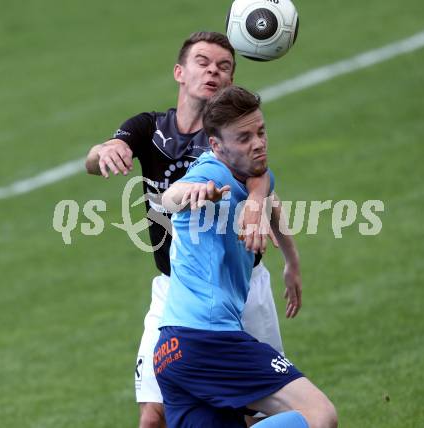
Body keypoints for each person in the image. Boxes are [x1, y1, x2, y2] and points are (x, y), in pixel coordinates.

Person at [85, 32, 302, 428]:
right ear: (179, 72)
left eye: (224, 67)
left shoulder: (228, 139)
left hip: (240, 287)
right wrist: (103, 150)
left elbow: (261, 179)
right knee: (153, 415)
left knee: (255, 412)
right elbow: (94, 158)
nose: (213, 71)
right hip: (175, 291)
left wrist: (280, 244)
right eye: (203, 62)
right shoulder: (149, 128)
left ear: (231, 82)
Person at [157, 85, 338, 428]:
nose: (257, 143)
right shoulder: (210, 175)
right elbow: (171, 197)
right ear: (216, 146)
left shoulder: (248, 169)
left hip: (173, 351)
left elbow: (265, 183)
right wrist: (191, 192)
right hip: (209, 340)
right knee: (319, 416)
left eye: (261, 131)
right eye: (243, 138)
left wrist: (292, 261)